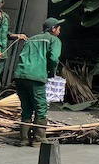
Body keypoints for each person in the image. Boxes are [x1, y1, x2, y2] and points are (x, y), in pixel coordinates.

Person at [12, 18, 62, 146]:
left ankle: (24, 139)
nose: (59, 32)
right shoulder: (54, 40)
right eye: (59, 29)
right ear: (53, 29)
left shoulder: (31, 39)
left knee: (27, 107)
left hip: (20, 75)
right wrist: (51, 73)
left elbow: (22, 55)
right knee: (40, 107)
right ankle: (39, 139)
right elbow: (54, 58)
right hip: (36, 76)